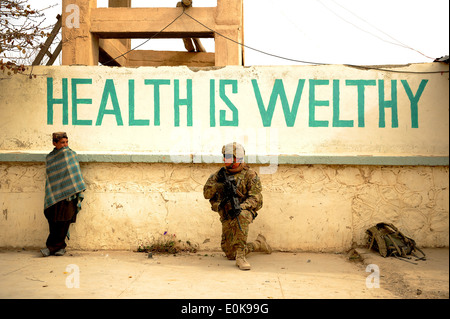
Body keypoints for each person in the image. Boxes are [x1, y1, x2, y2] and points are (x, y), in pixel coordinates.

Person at [203, 142, 272, 270]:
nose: (227, 160)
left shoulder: (250, 174)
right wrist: (219, 186)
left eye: (230, 157)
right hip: (227, 212)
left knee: (240, 215)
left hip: (245, 211)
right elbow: (207, 194)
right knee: (229, 253)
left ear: (239, 158)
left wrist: (242, 206)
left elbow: (256, 198)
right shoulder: (219, 175)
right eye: (226, 157)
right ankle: (258, 244)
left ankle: (241, 257)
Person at [40, 132, 86, 257]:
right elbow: (52, 177)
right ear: (54, 143)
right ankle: (56, 247)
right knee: (53, 221)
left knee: (64, 221)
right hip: (54, 194)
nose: (65, 145)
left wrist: (74, 188)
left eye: (66, 142)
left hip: (68, 195)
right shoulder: (50, 158)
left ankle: (55, 247)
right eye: (62, 143)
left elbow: (74, 173)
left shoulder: (71, 155)